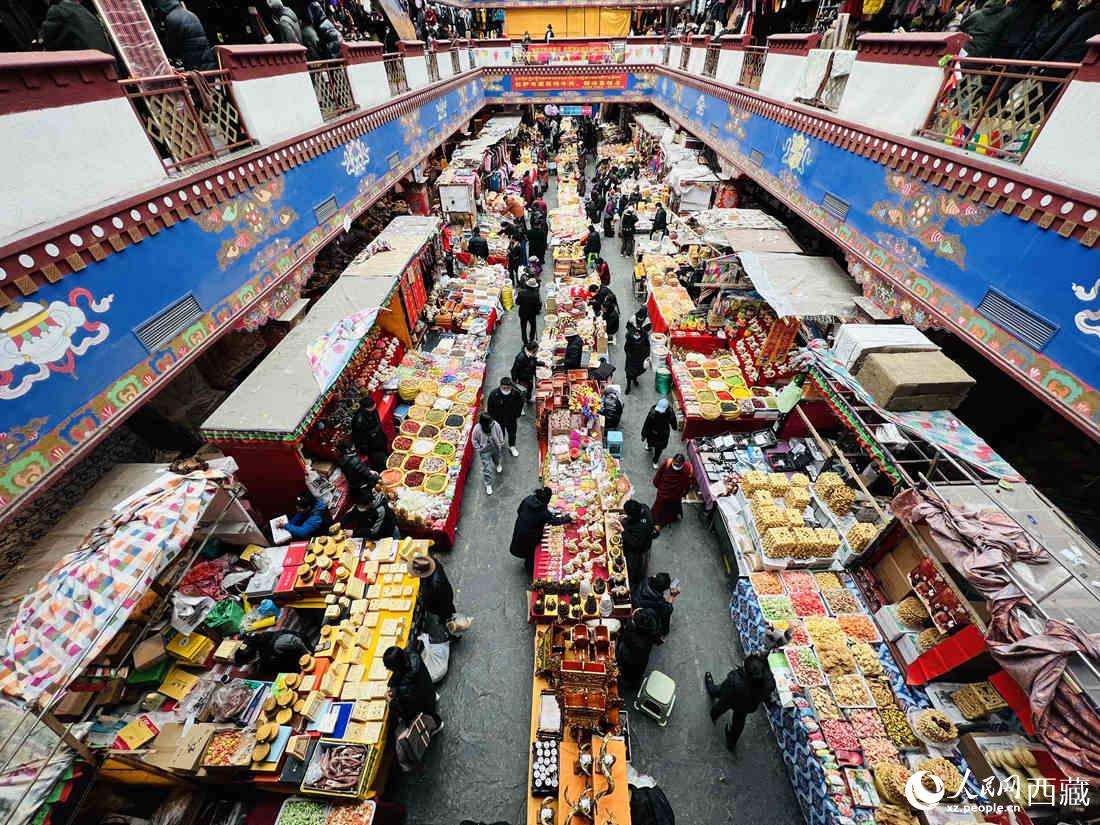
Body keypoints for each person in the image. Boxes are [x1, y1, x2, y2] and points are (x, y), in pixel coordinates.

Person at [705, 653, 775, 750]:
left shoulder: (734, 680)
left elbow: (723, 690)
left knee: (721, 704)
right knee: (739, 721)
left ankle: (714, 714)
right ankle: (731, 743)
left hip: (731, 699)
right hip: (748, 706)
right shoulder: (768, 683)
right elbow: (768, 694)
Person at [509, 487, 573, 572]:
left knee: (521, 545)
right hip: (530, 535)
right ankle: (530, 568)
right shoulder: (542, 511)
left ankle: (527, 560)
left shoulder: (528, 499)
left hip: (520, 526)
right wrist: (568, 518)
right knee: (531, 552)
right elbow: (554, 521)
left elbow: (519, 510)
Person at [408, 554, 472, 636]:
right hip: (447, 593)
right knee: (450, 608)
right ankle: (449, 620)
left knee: (446, 617)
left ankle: (451, 633)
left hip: (440, 605)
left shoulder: (430, 589)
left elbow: (429, 606)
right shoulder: (433, 563)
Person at [384, 645, 442, 728]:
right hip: (429, 688)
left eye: (388, 667)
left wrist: (390, 701)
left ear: (396, 667)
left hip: (425, 704)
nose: (387, 669)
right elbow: (401, 674)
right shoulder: (411, 652)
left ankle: (436, 724)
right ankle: (432, 699)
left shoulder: (406, 686)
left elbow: (403, 709)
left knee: (400, 709)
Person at [152, 0, 217, 70]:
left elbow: (172, 47)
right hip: (206, 60)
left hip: (193, 64)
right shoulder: (189, 13)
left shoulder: (171, 18)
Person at [235, 629, 311, 679]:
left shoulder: (278, 644)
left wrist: (307, 654)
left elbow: (296, 641)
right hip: (286, 657)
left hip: (301, 656)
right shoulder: (255, 644)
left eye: (247, 663)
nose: (248, 664)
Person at [40, 0, 112, 52]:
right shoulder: (90, 14)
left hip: (86, 66)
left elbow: (47, 42)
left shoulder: (57, 11)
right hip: (107, 65)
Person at [616, 608, 662, 688]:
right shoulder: (651, 620)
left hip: (632, 659)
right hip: (641, 658)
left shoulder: (636, 639)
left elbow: (625, 638)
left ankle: (629, 682)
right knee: (638, 670)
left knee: (630, 671)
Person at [651, 452, 694, 529]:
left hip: (676, 494)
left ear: (683, 464)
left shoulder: (688, 468)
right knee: (659, 507)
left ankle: (665, 519)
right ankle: (657, 521)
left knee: (671, 507)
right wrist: (657, 484)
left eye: (678, 465)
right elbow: (659, 474)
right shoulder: (667, 463)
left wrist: (684, 493)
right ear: (673, 460)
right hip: (663, 492)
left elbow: (688, 482)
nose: (675, 466)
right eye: (674, 464)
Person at [621, 499, 657, 586]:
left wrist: (622, 531)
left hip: (639, 548)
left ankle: (634, 580)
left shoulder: (641, 527)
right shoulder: (644, 507)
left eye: (627, 513)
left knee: (635, 564)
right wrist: (626, 518)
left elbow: (634, 542)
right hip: (643, 536)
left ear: (633, 515)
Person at [632, 572, 679, 638]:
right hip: (644, 617)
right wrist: (672, 595)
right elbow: (668, 609)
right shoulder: (658, 602)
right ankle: (662, 633)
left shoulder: (644, 581)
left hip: (635, 604)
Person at [487, 376, 524, 457]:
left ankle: (512, 446)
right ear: (500, 386)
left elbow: (520, 404)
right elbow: (490, 407)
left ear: (511, 386)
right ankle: (501, 443)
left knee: (512, 433)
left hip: (511, 419)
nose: (506, 389)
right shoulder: (494, 394)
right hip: (498, 419)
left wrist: (517, 414)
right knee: (500, 432)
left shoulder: (516, 393)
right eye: (504, 388)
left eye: (508, 388)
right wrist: (491, 418)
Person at [352, 395, 390, 471]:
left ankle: (387, 462)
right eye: (372, 407)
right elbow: (360, 437)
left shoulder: (373, 410)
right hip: (371, 444)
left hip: (379, 437)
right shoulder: (359, 420)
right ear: (366, 408)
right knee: (379, 461)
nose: (374, 407)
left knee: (385, 452)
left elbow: (377, 420)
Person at [336, 440, 379, 506]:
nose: (354, 448)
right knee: (368, 496)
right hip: (361, 484)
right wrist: (377, 478)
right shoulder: (354, 461)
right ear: (347, 450)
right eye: (352, 447)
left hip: (353, 483)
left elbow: (359, 470)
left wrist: (369, 470)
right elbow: (365, 473)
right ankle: (370, 504)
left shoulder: (341, 459)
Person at [472, 413, 504, 495]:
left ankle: (497, 464)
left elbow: (500, 433)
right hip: (484, 451)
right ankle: (488, 484)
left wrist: (501, 442)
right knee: (487, 468)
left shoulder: (495, 424)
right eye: (490, 422)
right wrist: (479, 448)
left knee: (497, 458)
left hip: (495, 447)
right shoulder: (477, 429)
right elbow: (474, 440)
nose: (492, 423)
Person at [641, 398, 678, 468]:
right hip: (652, 431)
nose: (660, 412)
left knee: (659, 449)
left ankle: (655, 461)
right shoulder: (653, 411)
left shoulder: (670, 413)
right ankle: (649, 446)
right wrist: (643, 434)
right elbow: (647, 423)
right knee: (650, 441)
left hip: (663, 434)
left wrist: (674, 424)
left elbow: (674, 424)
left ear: (666, 409)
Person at [623, 323, 650, 394]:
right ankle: (628, 386)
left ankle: (635, 379)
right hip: (631, 359)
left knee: (637, 371)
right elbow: (626, 348)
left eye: (638, 332)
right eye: (635, 332)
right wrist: (629, 355)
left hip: (640, 359)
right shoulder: (629, 338)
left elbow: (648, 347)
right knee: (629, 373)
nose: (637, 333)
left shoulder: (644, 338)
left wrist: (646, 356)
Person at [516, 277, 542, 346]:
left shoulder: (521, 293)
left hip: (523, 313)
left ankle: (525, 341)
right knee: (533, 326)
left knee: (523, 327)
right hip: (532, 314)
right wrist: (537, 312)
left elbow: (517, 302)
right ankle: (531, 340)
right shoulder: (536, 295)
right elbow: (538, 306)